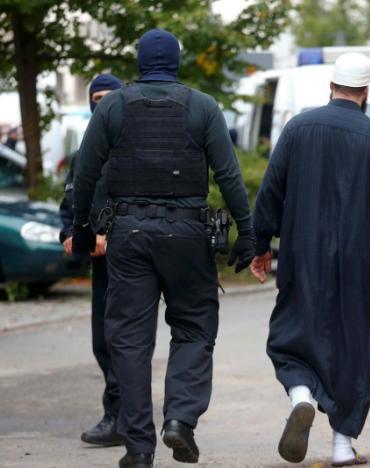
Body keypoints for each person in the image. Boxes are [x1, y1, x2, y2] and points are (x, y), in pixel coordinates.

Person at [72, 29, 255, 468]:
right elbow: (228, 175)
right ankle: (180, 419)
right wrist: (246, 231)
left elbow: (86, 170)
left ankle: (138, 449)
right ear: (175, 61)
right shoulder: (203, 106)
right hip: (188, 234)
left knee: (130, 341)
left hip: (129, 235)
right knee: (193, 328)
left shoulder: (114, 105)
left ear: (138, 62)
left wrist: (81, 227)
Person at [250, 52, 370, 467]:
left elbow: (270, 192)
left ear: (331, 85)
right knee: (354, 347)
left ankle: (301, 395)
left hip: (303, 254)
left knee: (292, 332)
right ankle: (343, 447)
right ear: (366, 91)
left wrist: (259, 245)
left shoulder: (299, 128)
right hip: (361, 262)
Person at [59, 73, 123, 447]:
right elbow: (69, 203)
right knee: (103, 342)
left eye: (109, 97)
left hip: (132, 262)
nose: (101, 104)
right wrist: (69, 234)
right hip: (99, 265)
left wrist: (110, 239)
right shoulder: (86, 151)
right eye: (95, 97)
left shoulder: (133, 148)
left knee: (123, 340)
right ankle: (122, 414)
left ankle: (123, 416)